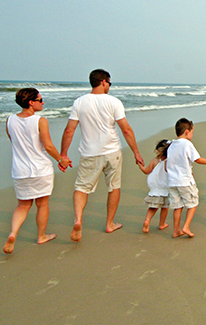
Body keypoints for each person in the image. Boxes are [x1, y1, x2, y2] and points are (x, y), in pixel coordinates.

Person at [60, 69, 144, 242]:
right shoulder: (114, 102)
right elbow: (126, 129)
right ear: (104, 82)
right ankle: (110, 223)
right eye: (109, 83)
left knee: (82, 188)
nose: (109, 86)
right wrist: (136, 152)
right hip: (112, 151)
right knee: (113, 186)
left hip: (89, 152)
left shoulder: (79, 102)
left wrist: (63, 154)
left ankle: (78, 219)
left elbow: (69, 130)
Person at [3, 88, 71, 254]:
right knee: (42, 204)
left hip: (20, 170)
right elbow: (47, 146)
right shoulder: (40, 120)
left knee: (23, 205)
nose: (43, 102)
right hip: (40, 169)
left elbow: (14, 142)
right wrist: (60, 159)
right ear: (31, 102)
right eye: (40, 100)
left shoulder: (10, 120)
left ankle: (13, 233)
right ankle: (41, 235)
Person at [167, 118, 206, 238]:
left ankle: (176, 230)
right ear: (186, 132)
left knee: (177, 206)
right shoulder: (186, 144)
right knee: (193, 203)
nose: (192, 134)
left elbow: (172, 163)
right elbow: (197, 159)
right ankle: (186, 226)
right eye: (192, 132)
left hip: (172, 181)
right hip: (184, 180)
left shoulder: (171, 145)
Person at [137, 139, 172, 233]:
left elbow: (146, 171)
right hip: (164, 187)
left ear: (158, 151)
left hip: (155, 187)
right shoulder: (169, 162)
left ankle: (147, 220)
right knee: (165, 207)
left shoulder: (154, 161)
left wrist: (140, 165)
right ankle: (162, 224)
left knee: (153, 207)